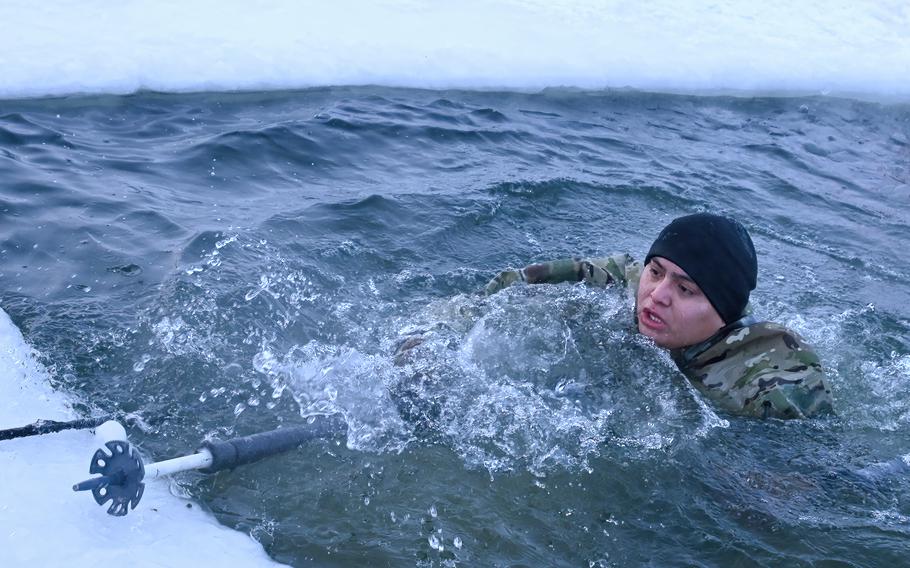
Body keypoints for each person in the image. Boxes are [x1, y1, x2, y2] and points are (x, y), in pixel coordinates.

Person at [482, 213, 834, 419]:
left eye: (686, 290)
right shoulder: (625, 282)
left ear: (723, 311)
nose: (657, 295)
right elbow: (514, 285)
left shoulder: (771, 376)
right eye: (656, 271)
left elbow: (808, 469)